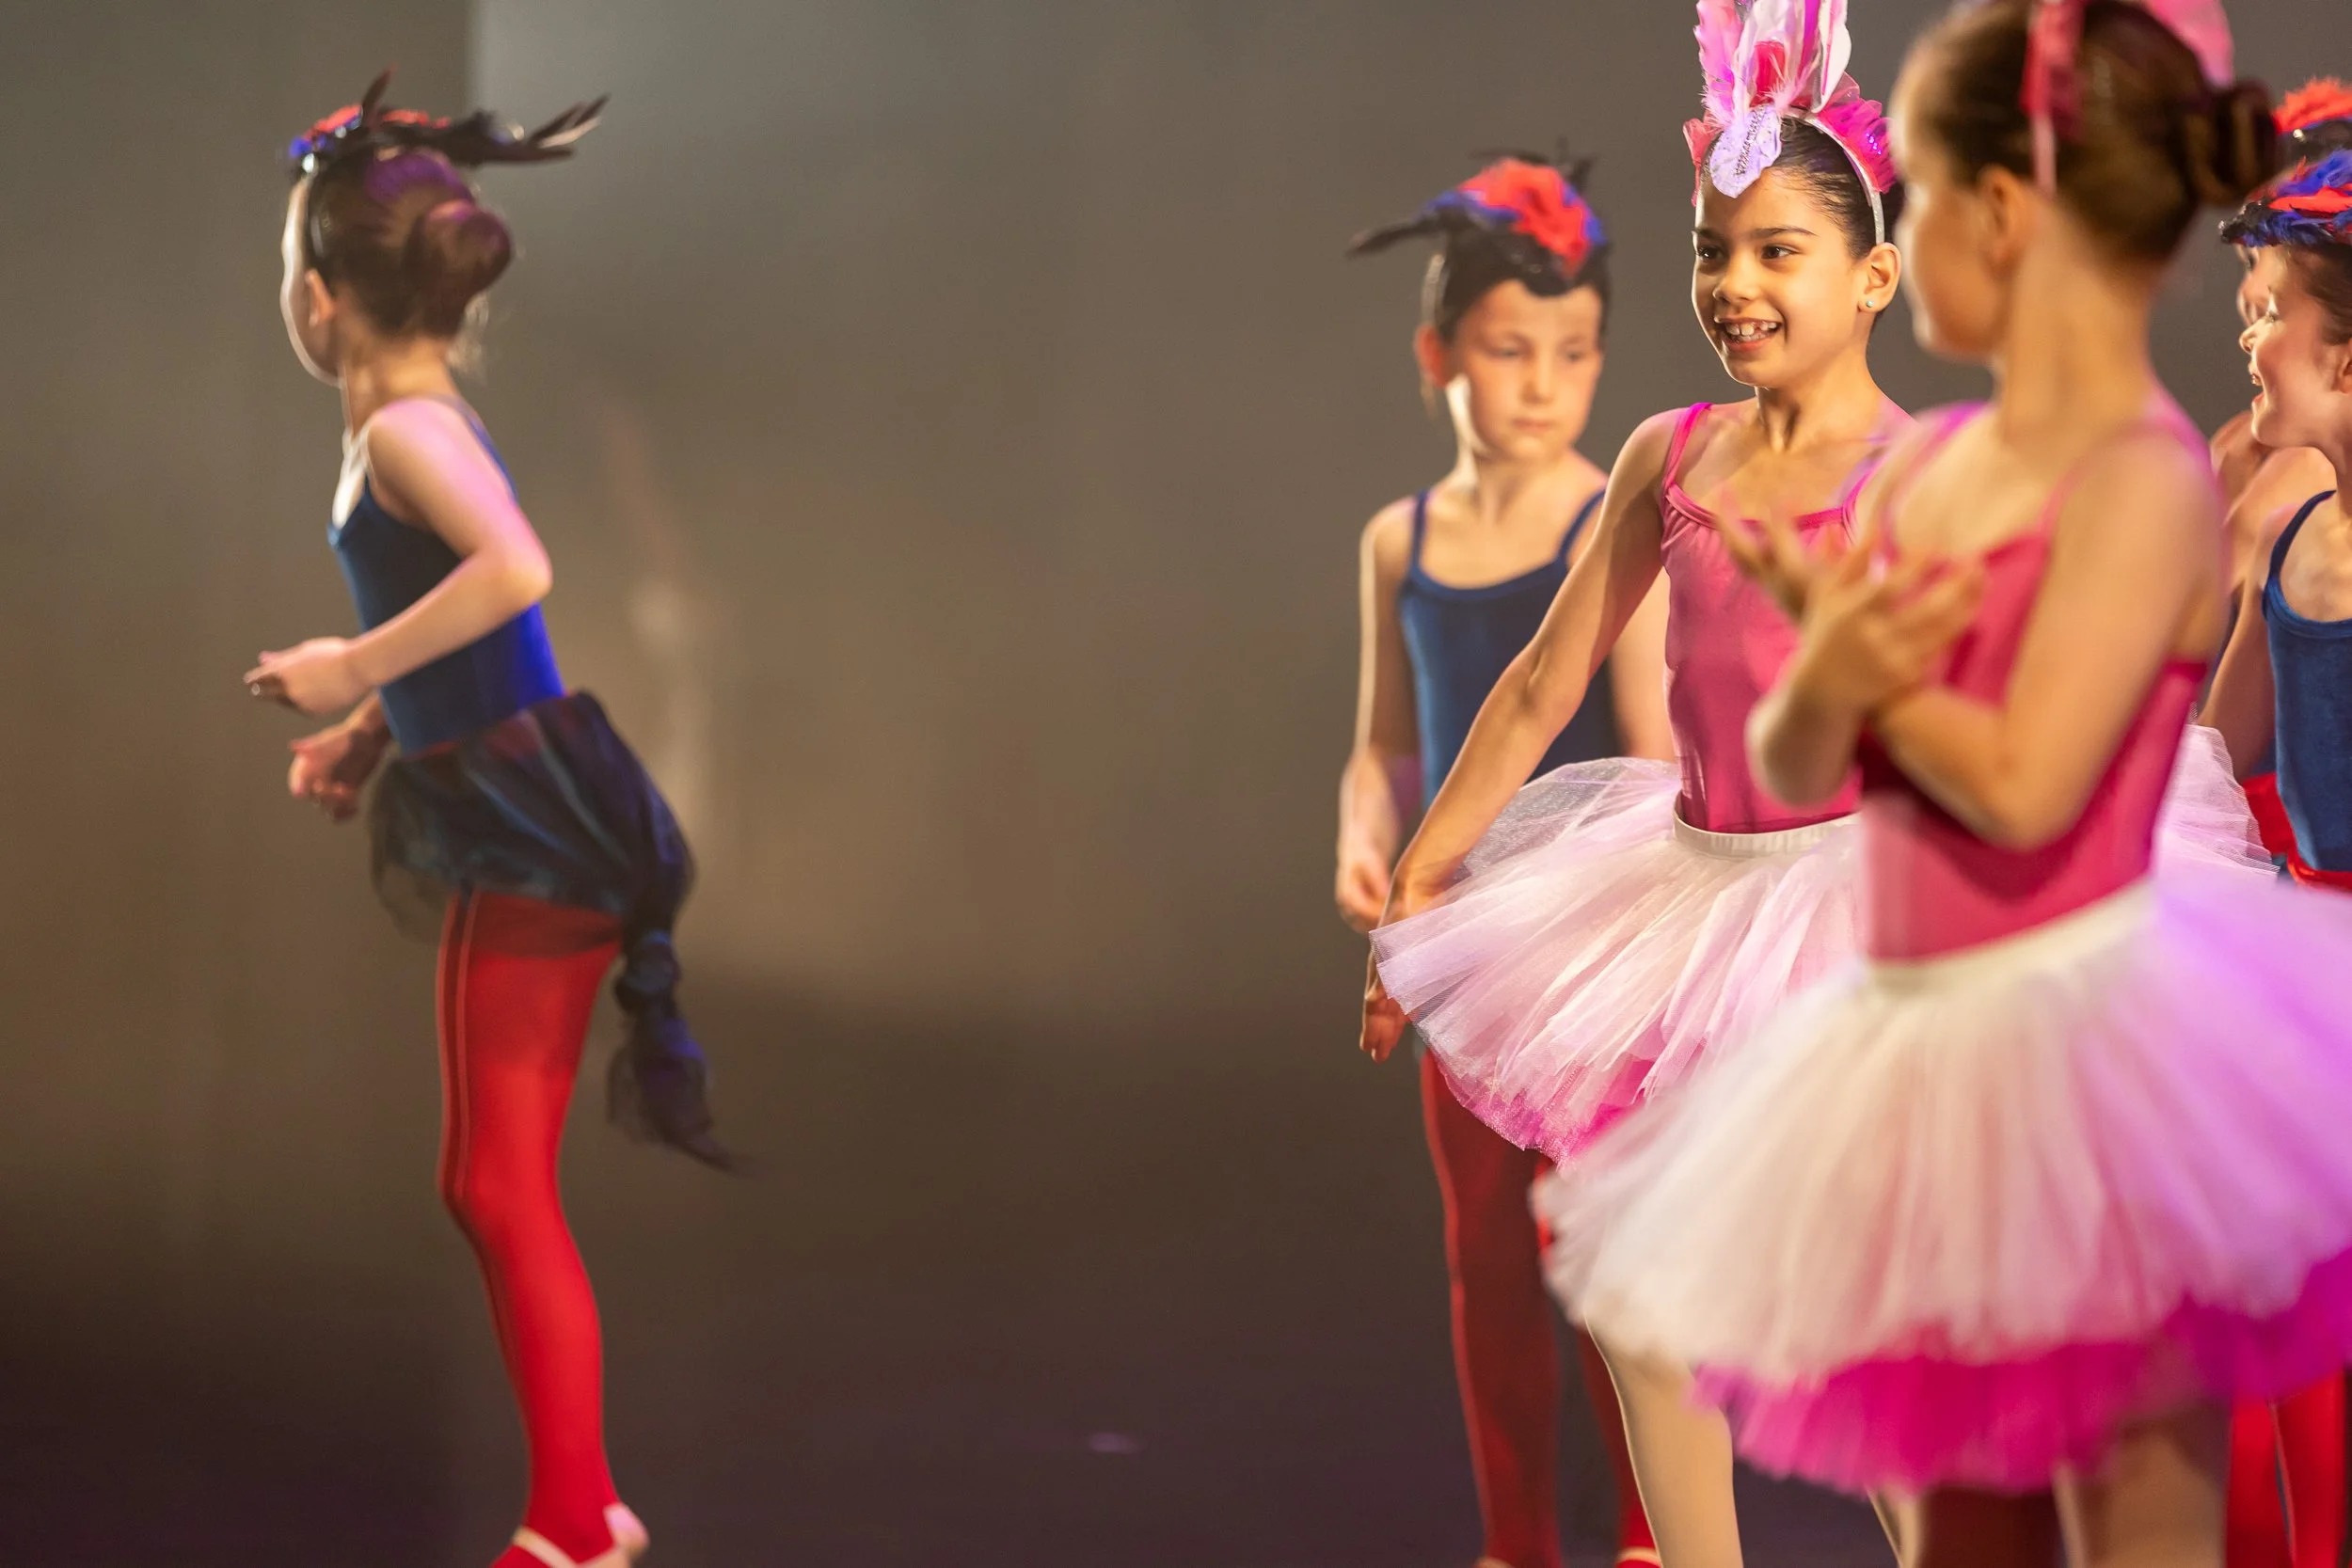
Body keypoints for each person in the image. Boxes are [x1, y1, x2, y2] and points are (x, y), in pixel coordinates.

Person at [1550, 4, 2352, 1562]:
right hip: (1919, 1031)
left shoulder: (2139, 472)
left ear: (2005, 214)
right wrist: (1823, 697)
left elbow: (2029, 783)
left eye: (1907, 189)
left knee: (2125, 1487)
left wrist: (1866, 682)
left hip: (2057, 1054)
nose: (1897, 235)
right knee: (1939, 1470)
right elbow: (1802, 754)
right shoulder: (1936, 465)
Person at [1361, 4, 1907, 1560]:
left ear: (1872, 275)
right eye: (1714, 250)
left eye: (1779, 252)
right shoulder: (1669, 457)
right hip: (1688, 897)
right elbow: (1540, 684)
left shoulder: (1924, 476)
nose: (1736, 285)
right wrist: (1422, 877)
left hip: (1856, 921)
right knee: (1640, 1286)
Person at [247, 73, 721, 1568]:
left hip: (535, 820)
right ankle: (584, 1501)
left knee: (494, 1180)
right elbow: (456, 622)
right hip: (507, 799)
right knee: (487, 1176)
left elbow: (517, 572)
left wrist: (348, 666)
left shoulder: (405, 438)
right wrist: (369, 732)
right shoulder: (402, 419)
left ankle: (577, 1517)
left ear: (322, 302)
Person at [1340, 155, 1671, 1568]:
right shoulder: (1397, 540)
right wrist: (1368, 836)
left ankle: (1656, 1527)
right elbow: (1382, 742)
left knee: (1602, 1251)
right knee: (1484, 1253)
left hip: (1591, 952)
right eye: (1510, 351)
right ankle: (1519, 1540)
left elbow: (1655, 759)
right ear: (1439, 355)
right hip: (1464, 950)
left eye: (1576, 352)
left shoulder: (1617, 517)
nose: (1545, 383)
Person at [2207, 77, 2352, 1568]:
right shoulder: (2302, 532)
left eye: (2269, 311)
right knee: (2292, 1330)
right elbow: (2210, 758)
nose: (2245, 334)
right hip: (2305, 974)